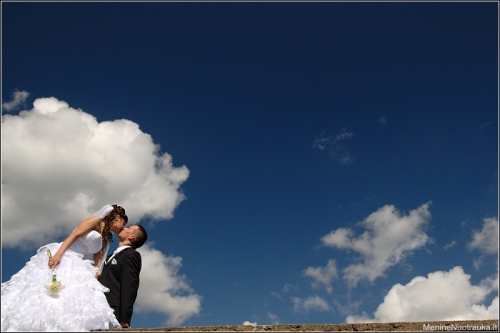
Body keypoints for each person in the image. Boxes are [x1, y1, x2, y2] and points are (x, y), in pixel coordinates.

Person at [1, 204, 127, 332]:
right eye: (123, 223)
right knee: (47, 293)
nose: (123, 228)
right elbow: (73, 236)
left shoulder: (105, 239)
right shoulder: (94, 221)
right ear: (117, 218)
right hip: (65, 255)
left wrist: (94, 275)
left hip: (79, 264)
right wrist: (58, 255)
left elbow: (97, 261)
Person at [99, 223, 148, 328]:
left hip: (112, 310)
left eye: (129, 228)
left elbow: (130, 286)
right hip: (98, 306)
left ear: (131, 237)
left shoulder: (131, 255)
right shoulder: (109, 255)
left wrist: (124, 319)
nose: (124, 228)